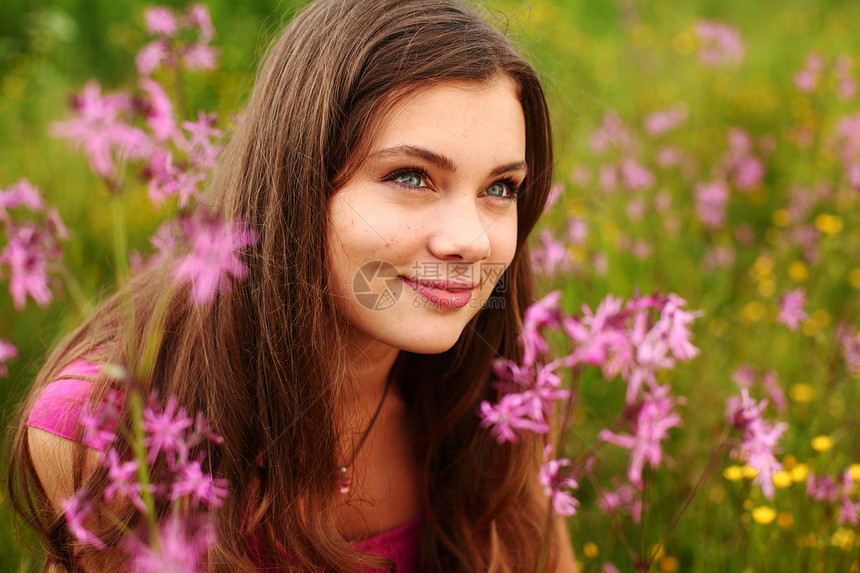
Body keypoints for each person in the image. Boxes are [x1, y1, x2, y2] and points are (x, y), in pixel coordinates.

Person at [8, 0, 577, 571]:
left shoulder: (503, 401)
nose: (472, 241)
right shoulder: (103, 433)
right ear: (297, 183)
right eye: (411, 177)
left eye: (500, 188)